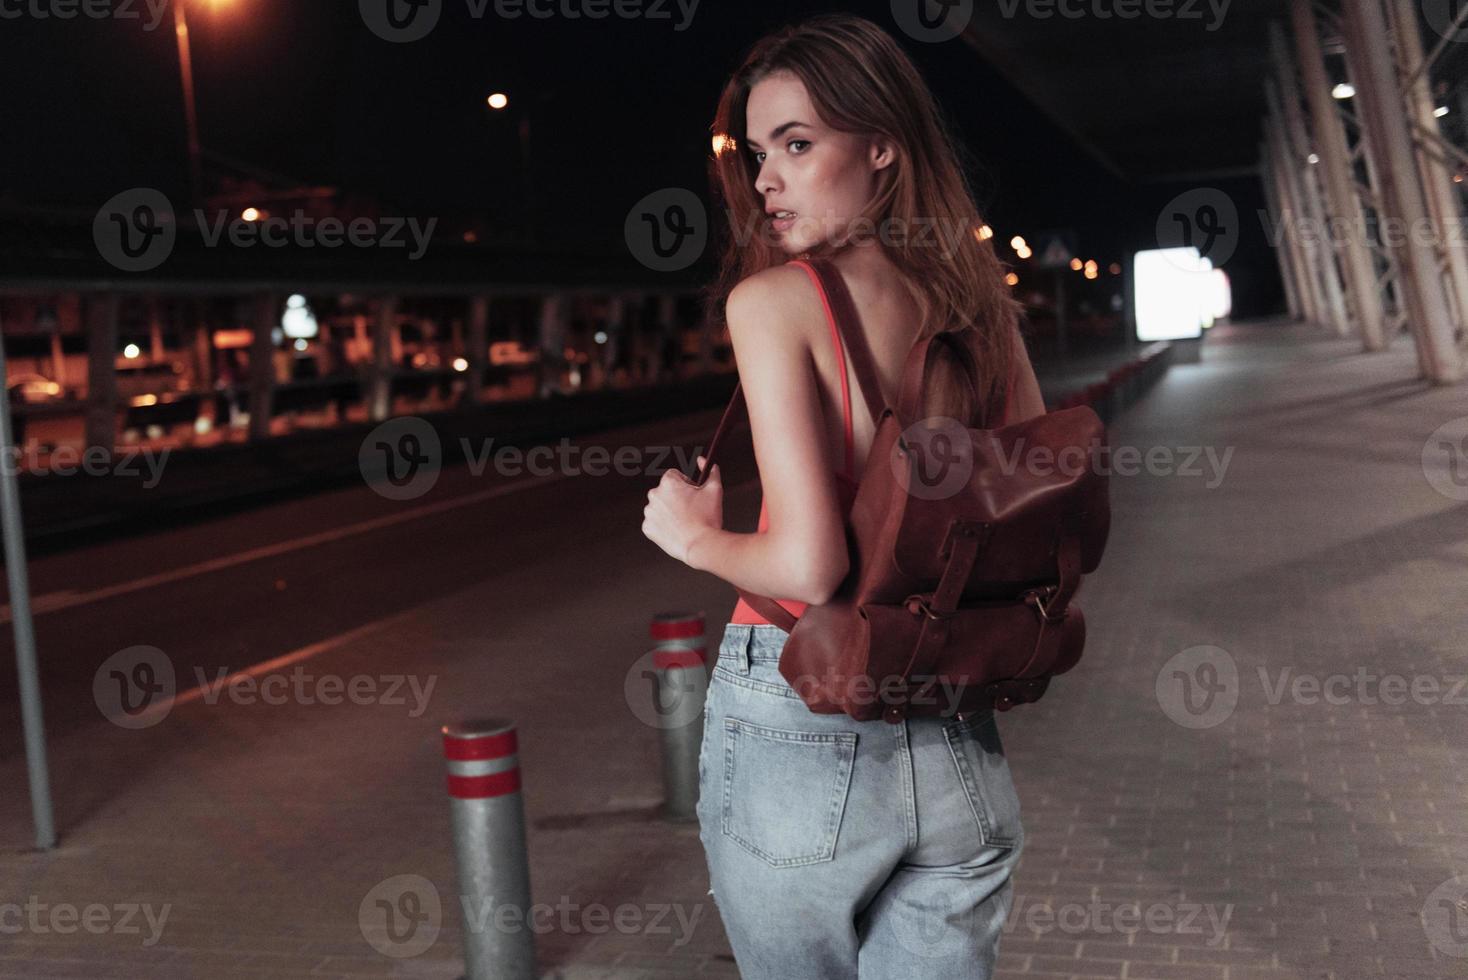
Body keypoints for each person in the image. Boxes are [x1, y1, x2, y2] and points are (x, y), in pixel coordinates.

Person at [640, 14, 1048, 979]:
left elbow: (810, 565)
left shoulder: (775, 301)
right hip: (955, 729)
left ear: (882, 151)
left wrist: (694, 539)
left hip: (799, 719)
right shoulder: (979, 307)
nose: (766, 179)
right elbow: (1032, 502)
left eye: (797, 144)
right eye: (755, 153)